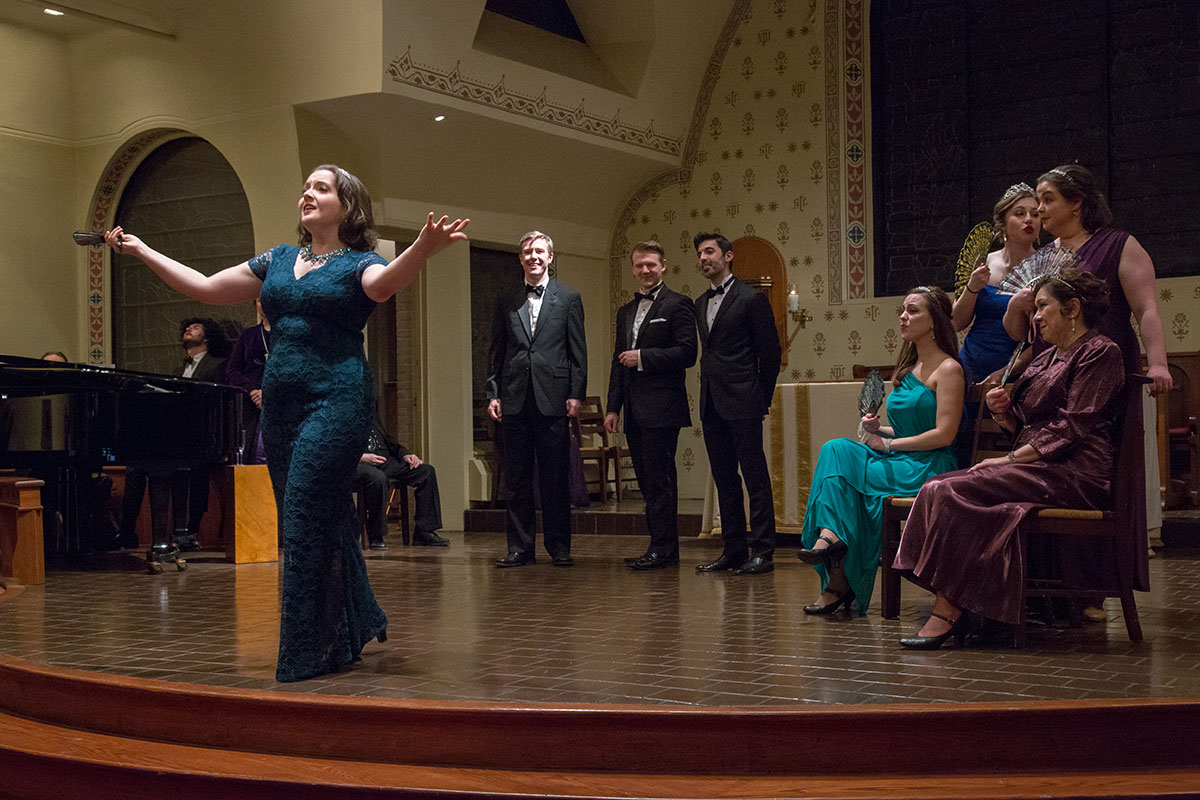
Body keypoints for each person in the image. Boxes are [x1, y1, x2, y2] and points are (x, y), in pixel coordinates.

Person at [104, 164, 468, 681]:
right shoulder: (276, 258)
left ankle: (305, 651)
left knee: (299, 518)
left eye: (322, 188)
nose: (308, 193)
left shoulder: (360, 262)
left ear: (347, 205)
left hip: (336, 400)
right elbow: (207, 288)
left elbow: (385, 286)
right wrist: (141, 251)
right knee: (325, 518)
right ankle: (357, 620)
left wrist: (423, 249)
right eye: (306, 187)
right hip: (281, 407)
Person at [893, 268, 1124, 648]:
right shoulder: (1046, 358)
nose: (1035, 317)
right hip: (1040, 465)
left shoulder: (1100, 351)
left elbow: (1072, 427)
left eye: (1043, 307)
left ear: (1073, 309)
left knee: (956, 490)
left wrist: (1008, 461)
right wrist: (1005, 412)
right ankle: (970, 603)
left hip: (1075, 473)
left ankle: (947, 610)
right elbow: (1030, 423)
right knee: (937, 485)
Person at [1001, 164, 1167, 611]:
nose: (1039, 208)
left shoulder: (1117, 244)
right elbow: (1019, 332)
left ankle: (1091, 590)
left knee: (1093, 467)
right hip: (1050, 371)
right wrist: (1019, 304)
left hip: (1103, 370)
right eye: (1037, 200)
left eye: (1048, 198)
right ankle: (1051, 594)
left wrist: (1159, 362)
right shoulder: (1040, 257)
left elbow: (1146, 307)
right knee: (1047, 463)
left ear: (1077, 202)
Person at [796, 286, 962, 614]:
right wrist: (877, 429)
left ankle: (838, 578)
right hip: (899, 457)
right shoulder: (907, 371)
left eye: (912, 311)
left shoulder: (949, 370)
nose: (903, 316)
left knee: (848, 483)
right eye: (902, 309)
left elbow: (944, 435)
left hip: (927, 465)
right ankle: (831, 538)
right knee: (836, 449)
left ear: (934, 322)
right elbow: (902, 430)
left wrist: (886, 443)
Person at [486, 231, 587, 568]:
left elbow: (577, 353)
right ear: (520, 259)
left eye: (539, 251)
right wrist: (493, 392)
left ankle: (559, 547)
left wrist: (575, 394)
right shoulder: (505, 298)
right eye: (528, 252)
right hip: (514, 398)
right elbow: (496, 351)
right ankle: (520, 548)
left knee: (555, 477)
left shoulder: (569, 298)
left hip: (553, 398)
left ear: (550, 257)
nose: (533, 257)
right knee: (516, 478)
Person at [604, 241, 697, 570]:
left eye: (651, 265)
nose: (645, 270)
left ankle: (663, 549)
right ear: (632, 269)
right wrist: (613, 407)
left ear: (663, 266)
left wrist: (643, 357)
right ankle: (660, 547)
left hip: (663, 408)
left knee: (660, 481)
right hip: (633, 410)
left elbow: (688, 353)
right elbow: (618, 362)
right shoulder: (625, 311)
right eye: (640, 265)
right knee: (646, 483)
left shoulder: (678, 304)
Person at [692, 233, 781, 575]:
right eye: (700, 253)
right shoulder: (700, 302)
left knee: (754, 477)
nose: (703, 258)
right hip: (712, 402)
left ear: (728, 256)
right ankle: (733, 550)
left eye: (710, 251)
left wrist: (761, 397)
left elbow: (769, 354)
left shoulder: (750, 298)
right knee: (724, 478)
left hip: (744, 400)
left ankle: (763, 551)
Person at [117, 317, 229, 552]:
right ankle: (127, 531)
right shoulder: (179, 370)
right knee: (135, 468)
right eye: (187, 327)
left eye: (195, 328)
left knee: (195, 470)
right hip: (178, 436)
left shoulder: (218, 364)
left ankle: (190, 530)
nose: (188, 329)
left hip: (202, 435)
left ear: (207, 337)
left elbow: (215, 402)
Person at [950, 183, 1039, 466]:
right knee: (960, 434)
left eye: (1035, 214)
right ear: (1002, 223)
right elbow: (957, 322)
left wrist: (1005, 372)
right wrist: (973, 288)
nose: (1029, 220)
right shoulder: (984, 264)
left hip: (1021, 366)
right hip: (972, 361)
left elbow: (1043, 339)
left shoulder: (1047, 265)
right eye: (1020, 213)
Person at [357, 417, 449, 549]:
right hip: (359, 463)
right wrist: (363, 457)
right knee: (378, 479)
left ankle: (424, 532)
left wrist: (405, 455)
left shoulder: (370, 414)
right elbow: (336, 448)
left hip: (385, 462)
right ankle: (376, 535)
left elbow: (389, 442)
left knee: (426, 472)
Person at [226, 298, 271, 464]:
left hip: (284, 404)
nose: (263, 304)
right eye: (259, 300)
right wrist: (252, 391)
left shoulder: (291, 334)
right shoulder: (248, 335)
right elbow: (233, 370)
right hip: (251, 405)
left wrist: (269, 394)